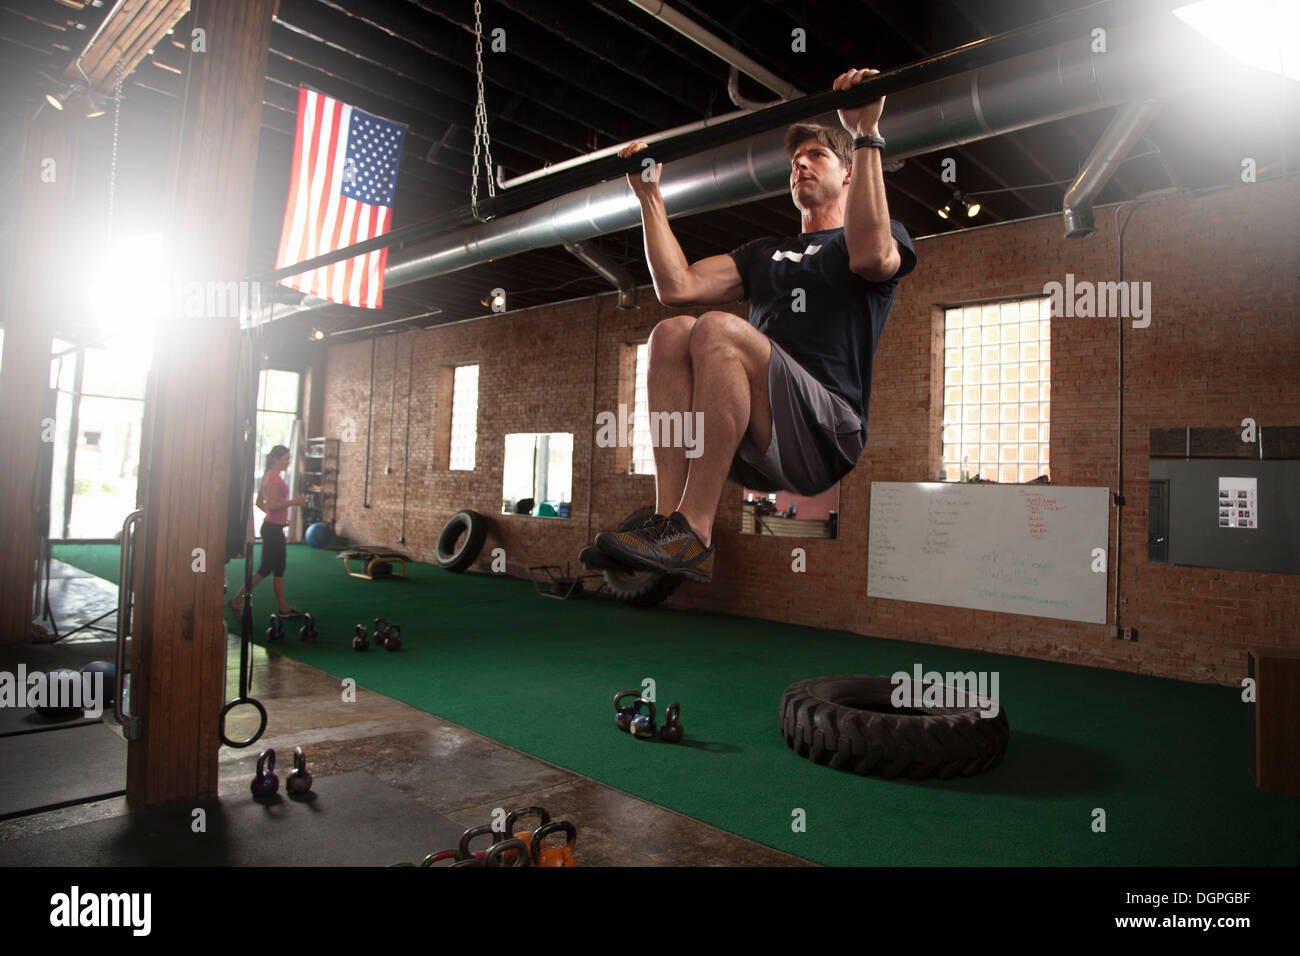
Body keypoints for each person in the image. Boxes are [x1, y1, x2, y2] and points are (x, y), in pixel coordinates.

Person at [593, 68, 917, 583]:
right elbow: (674, 286)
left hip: (826, 433)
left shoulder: (869, 236)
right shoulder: (763, 254)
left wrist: (865, 134)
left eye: (817, 156)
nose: (801, 164)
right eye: (795, 160)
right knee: (671, 331)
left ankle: (694, 533)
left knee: (717, 328)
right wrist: (649, 195)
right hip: (754, 438)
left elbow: (875, 258)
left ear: (849, 174)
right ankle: (667, 521)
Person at [228, 444, 307, 618]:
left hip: (274, 527)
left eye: (289, 459)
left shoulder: (270, 476)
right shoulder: (274, 479)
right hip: (272, 530)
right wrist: (295, 502)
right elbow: (270, 505)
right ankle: (236, 601)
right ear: (276, 459)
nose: (288, 462)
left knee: (279, 567)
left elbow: (260, 503)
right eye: (286, 459)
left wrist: (277, 519)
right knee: (265, 568)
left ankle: (283, 608)